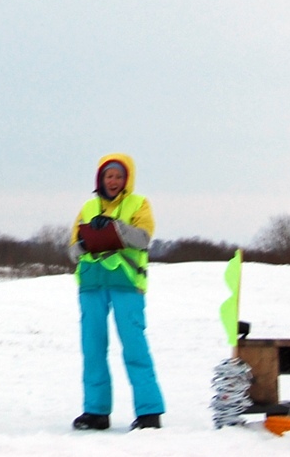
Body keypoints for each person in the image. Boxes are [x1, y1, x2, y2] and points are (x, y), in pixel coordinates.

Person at [68, 153, 166, 431]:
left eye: (119, 176)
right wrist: (86, 242)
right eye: (109, 176)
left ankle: (149, 412)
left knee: (134, 346)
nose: (113, 181)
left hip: (126, 283)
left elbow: (144, 237)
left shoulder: (139, 204)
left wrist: (115, 228)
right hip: (91, 284)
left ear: (127, 180)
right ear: (100, 179)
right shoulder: (87, 207)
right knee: (93, 348)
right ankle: (95, 411)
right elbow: (73, 249)